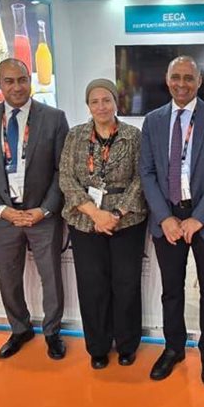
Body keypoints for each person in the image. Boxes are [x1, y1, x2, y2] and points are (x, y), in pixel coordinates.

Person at [139, 55, 204, 385]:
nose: (182, 84)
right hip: (167, 217)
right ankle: (173, 348)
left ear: (199, 82)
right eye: (176, 77)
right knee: (171, 290)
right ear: (167, 80)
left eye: (189, 78)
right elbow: (147, 172)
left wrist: (198, 219)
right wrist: (165, 218)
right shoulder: (153, 120)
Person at [0, 59, 70, 361]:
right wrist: (0, 209)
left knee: (51, 277)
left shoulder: (54, 118)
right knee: (7, 277)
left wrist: (46, 209)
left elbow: (62, 170)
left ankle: (52, 332)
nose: (17, 87)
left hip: (42, 216)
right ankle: (19, 328)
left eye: (22, 80)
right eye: (9, 81)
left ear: (30, 80)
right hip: (4, 217)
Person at [58, 78, 147, 370]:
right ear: (88, 106)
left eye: (106, 100)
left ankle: (127, 344)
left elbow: (142, 177)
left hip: (127, 221)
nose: (101, 106)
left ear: (116, 102)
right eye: (94, 101)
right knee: (92, 286)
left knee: (126, 284)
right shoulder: (75, 136)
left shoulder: (133, 135)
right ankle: (97, 347)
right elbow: (66, 179)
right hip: (85, 221)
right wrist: (95, 214)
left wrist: (116, 213)